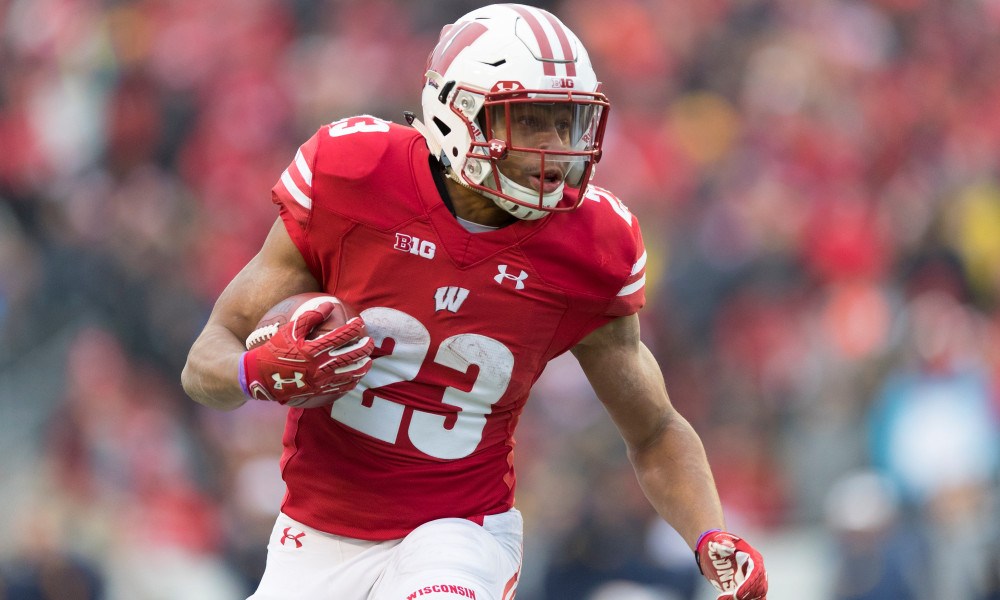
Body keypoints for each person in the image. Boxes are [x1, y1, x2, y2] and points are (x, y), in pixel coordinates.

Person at [181, 4, 768, 600]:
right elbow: (204, 362)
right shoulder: (354, 173)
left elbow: (654, 427)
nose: (557, 148)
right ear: (457, 113)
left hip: (461, 531)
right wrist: (255, 371)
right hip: (316, 531)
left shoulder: (592, 245)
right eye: (530, 120)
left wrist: (708, 534)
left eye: (568, 123)